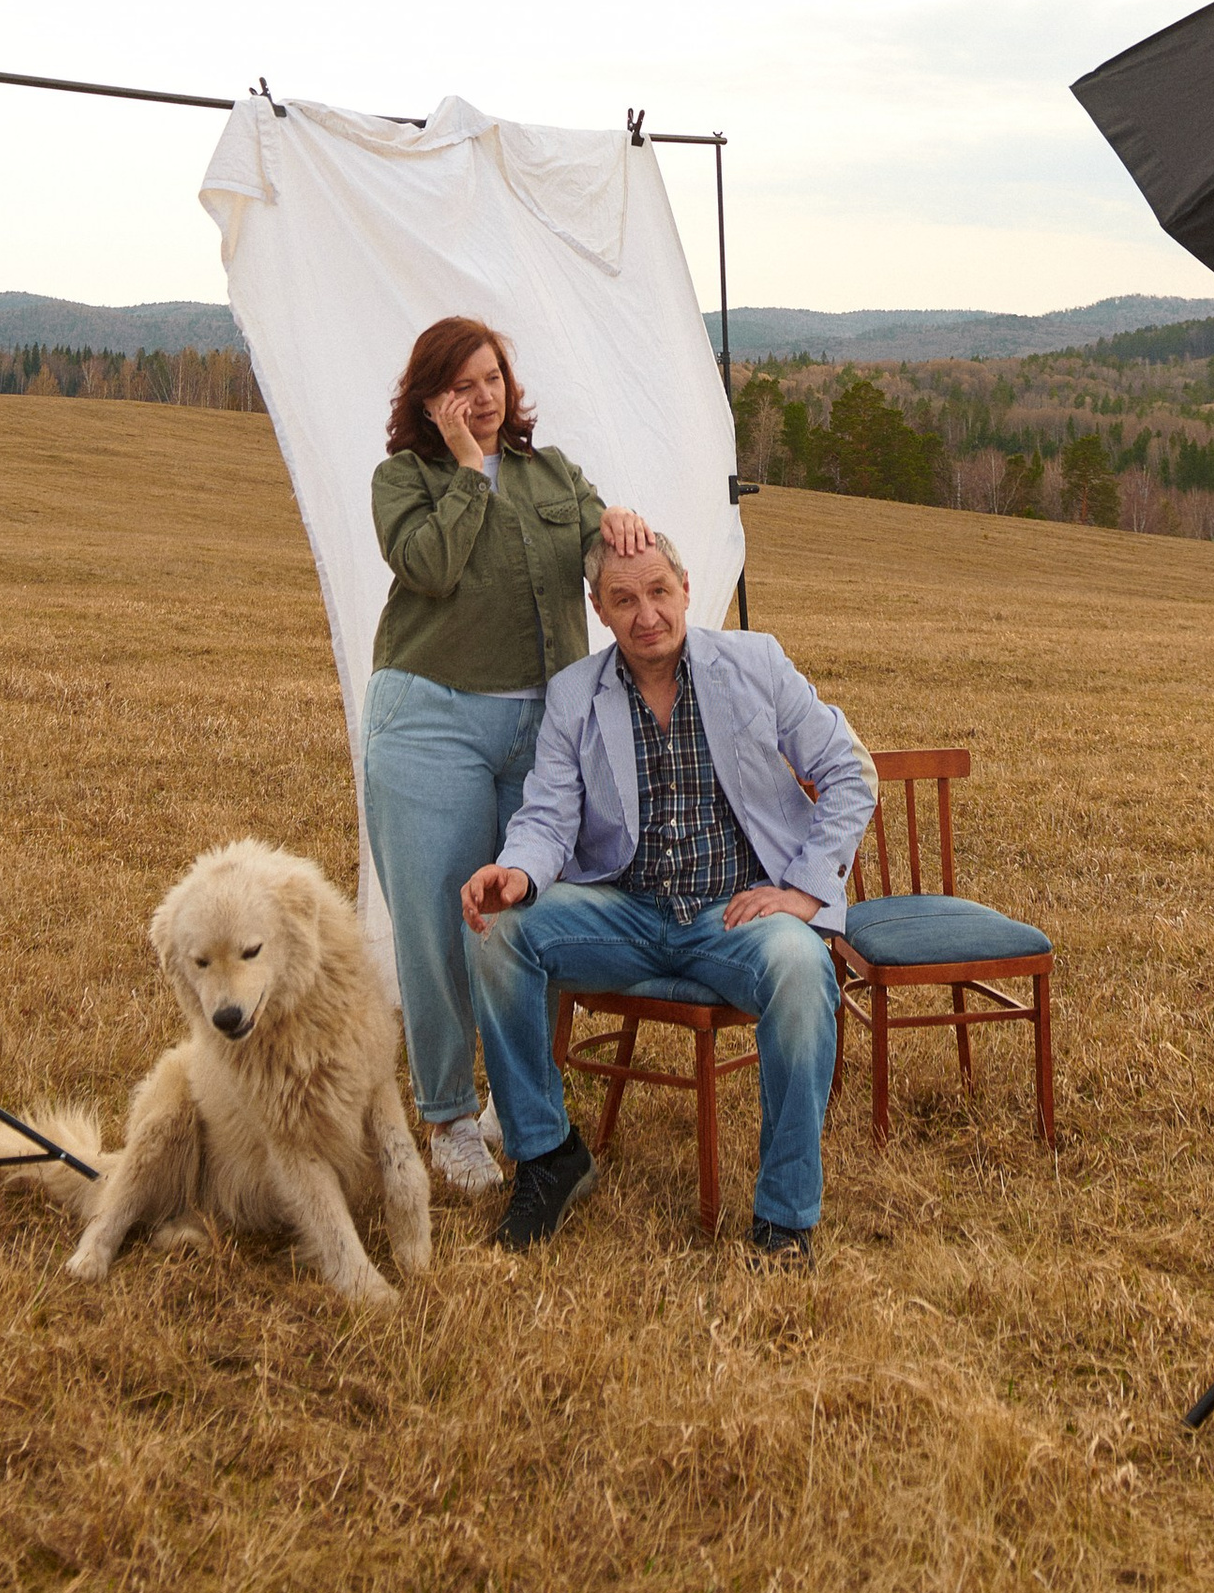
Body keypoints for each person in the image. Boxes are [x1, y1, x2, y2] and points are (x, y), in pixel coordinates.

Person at [458, 529, 875, 1262]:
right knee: (497, 932)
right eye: (623, 599)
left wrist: (805, 893)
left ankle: (784, 1219)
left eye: (658, 591)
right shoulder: (575, 694)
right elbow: (548, 816)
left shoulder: (755, 663)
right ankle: (548, 1154)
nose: (646, 613)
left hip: (733, 914)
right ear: (599, 608)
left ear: (685, 588)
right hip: (624, 912)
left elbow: (849, 770)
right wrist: (517, 872)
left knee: (802, 968)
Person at [363, 316, 655, 1196]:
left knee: (534, 911)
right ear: (430, 400)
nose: (483, 395)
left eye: (492, 377)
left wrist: (622, 524)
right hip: (431, 719)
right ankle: (449, 1116)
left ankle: (513, 1098)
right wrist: (465, 471)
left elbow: (607, 561)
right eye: (462, 385)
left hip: (545, 729)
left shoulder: (553, 472)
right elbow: (431, 567)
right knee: (440, 923)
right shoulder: (403, 480)